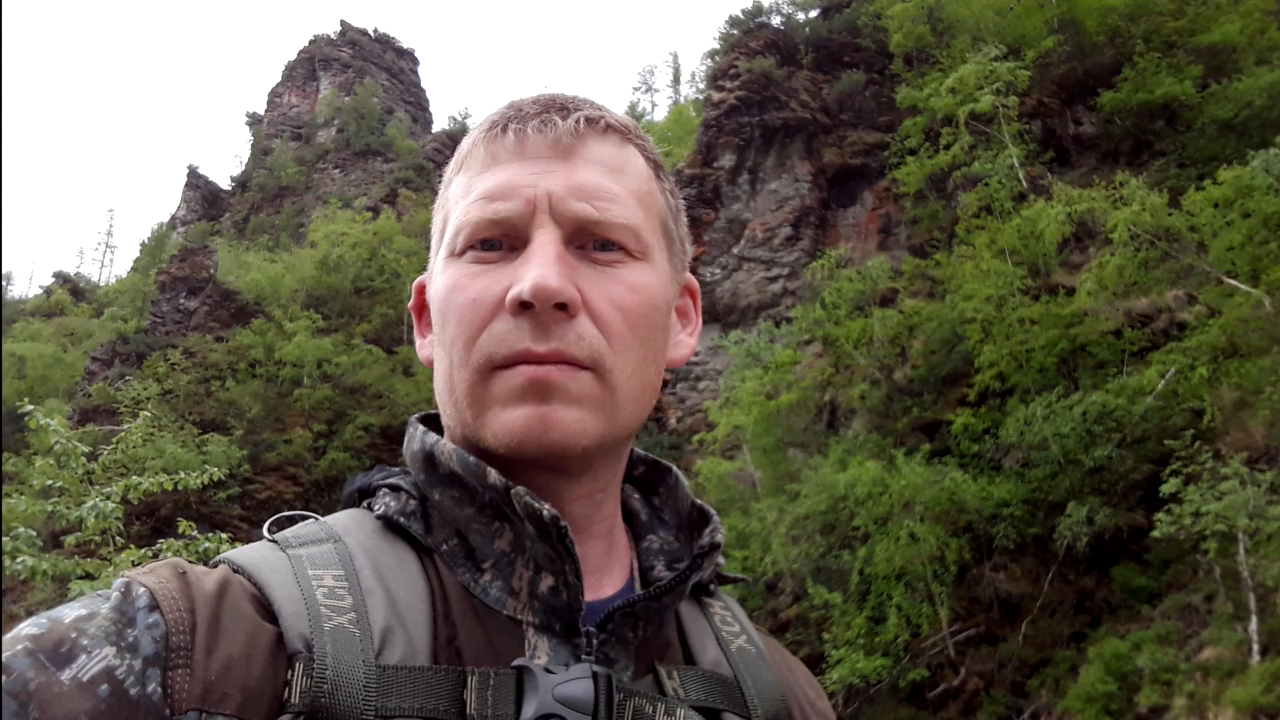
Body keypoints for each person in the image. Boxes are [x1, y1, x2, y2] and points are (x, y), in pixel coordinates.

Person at [1, 94, 836, 720]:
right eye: (491, 243)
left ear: (682, 318)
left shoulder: (777, 696)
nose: (542, 284)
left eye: (602, 245)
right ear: (428, 319)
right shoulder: (206, 646)